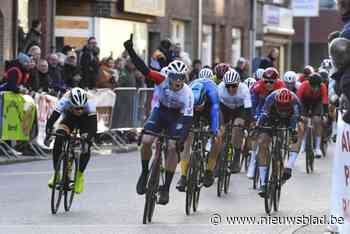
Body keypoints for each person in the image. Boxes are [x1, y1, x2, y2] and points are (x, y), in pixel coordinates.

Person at [124, 36, 194, 205]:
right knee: (147, 141)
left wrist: (181, 141)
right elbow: (144, 69)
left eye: (181, 77)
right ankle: (144, 171)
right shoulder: (161, 79)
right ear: (169, 76)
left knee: (172, 147)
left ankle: (166, 188)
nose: (178, 80)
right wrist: (131, 50)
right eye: (175, 77)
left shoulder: (187, 93)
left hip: (176, 117)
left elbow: (187, 121)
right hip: (160, 111)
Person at [177, 70, 221, 191]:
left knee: (217, 139)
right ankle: (183, 175)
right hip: (191, 112)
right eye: (196, 106)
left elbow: (215, 114)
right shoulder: (187, 94)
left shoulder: (212, 93)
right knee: (187, 140)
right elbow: (182, 115)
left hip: (210, 110)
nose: (198, 108)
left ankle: (209, 170)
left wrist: (214, 130)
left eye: (199, 105)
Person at [46, 88, 97, 193]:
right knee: (59, 138)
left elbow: (93, 127)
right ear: (70, 103)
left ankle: (79, 177)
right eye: (76, 108)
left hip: (86, 120)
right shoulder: (65, 99)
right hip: (70, 118)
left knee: (86, 146)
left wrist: (87, 139)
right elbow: (52, 119)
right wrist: (48, 133)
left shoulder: (90, 103)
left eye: (81, 108)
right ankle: (57, 174)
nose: (79, 110)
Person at [255, 88, 301, 197]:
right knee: (262, 142)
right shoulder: (270, 99)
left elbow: (295, 119)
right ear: (276, 103)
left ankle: (285, 167)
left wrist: (293, 133)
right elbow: (263, 115)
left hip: (289, 120)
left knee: (293, 134)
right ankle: (263, 183)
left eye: (286, 106)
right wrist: (257, 126)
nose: (283, 109)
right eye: (281, 106)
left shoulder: (295, 102)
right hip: (272, 118)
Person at [218, 69, 253, 173]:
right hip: (225, 108)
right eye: (228, 86)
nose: (231, 89)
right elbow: (216, 107)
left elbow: (248, 109)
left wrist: (246, 125)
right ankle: (218, 160)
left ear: (238, 84)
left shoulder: (244, 89)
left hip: (239, 109)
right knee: (220, 131)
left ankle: (236, 159)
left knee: (237, 128)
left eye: (234, 86)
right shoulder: (220, 88)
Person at [297, 73, 329, 158]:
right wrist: (299, 114)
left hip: (316, 102)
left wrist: (325, 115)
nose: (315, 88)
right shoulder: (304, 85)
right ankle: (303, 145)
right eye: (313, 86)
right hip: (304, 102)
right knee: (303, 120)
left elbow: (325, 101)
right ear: (309, 83)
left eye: (316, 86)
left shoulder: (322, 87)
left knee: (317, 120)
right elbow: (298, 100)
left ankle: (318, 148)